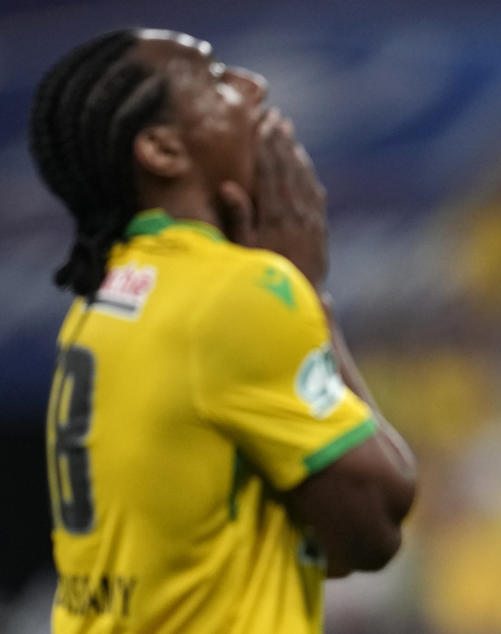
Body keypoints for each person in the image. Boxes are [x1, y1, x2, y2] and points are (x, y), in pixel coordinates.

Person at [30, 28, 417, 633]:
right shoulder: (241, 293)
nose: (251, 85)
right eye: (213, 80)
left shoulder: (101, 299)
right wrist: (310, 293)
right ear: (162, 149)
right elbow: (374, 531)